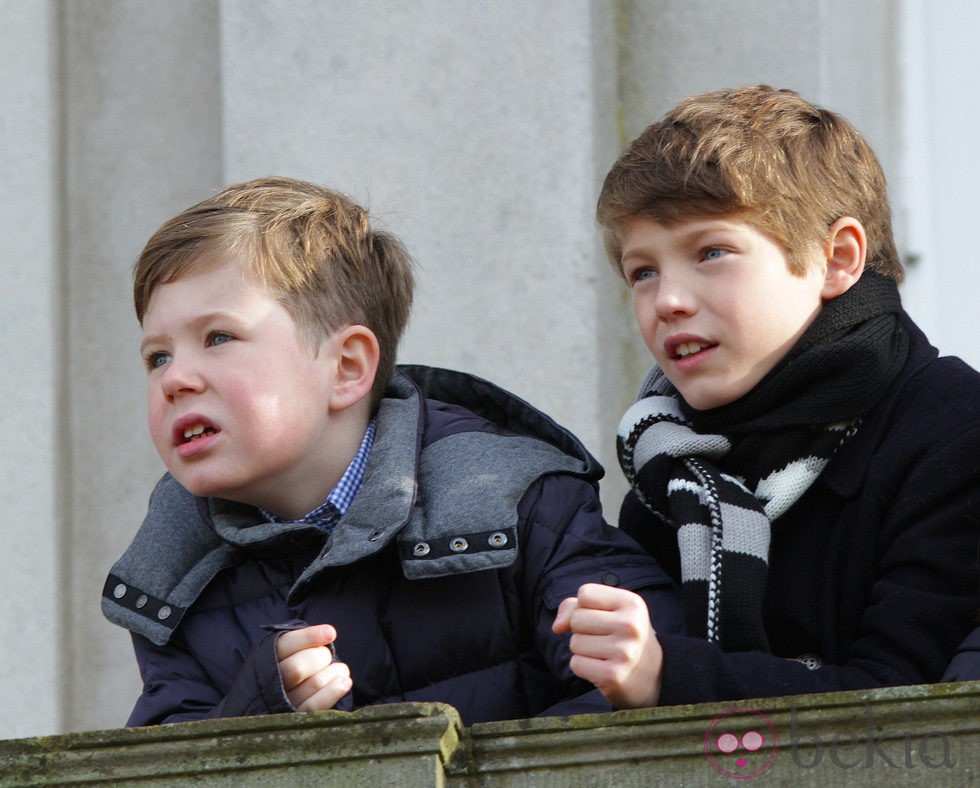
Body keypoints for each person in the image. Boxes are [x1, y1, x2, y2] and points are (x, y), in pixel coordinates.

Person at [102, 176, 681, 726]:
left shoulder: (512, 500)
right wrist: (256, 719)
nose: (175, 379)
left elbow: (644, 698)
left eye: (218, 338)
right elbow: (163, 760)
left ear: (348, 368)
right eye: (157, 356)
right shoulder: (171, 573)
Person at [553, 86, 979, 708]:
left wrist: (667, 676)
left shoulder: (954, 430)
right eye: (643, 270)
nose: (667, 299)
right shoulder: (669, 461)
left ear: (837, 258)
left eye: (712, 252)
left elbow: (907, 710)